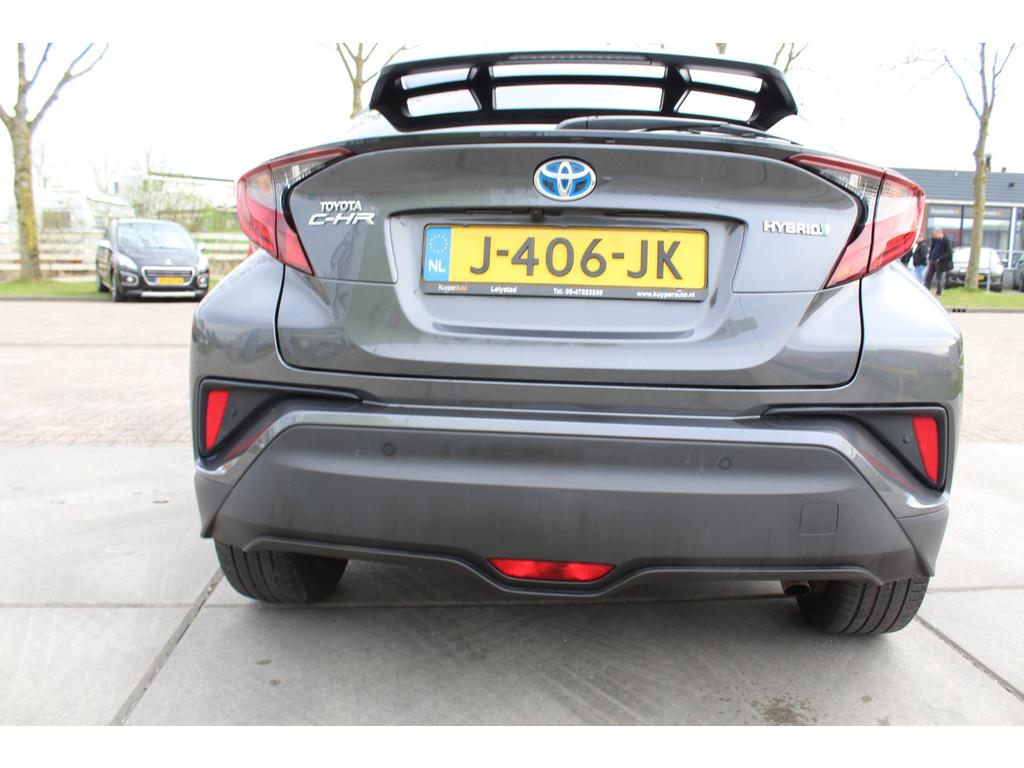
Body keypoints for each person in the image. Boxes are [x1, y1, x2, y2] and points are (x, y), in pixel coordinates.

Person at [924, 228, 953, 295]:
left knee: (938, 277)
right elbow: (932, 248)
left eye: (936, 235)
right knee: (928, 275)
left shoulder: (946, 240)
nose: (935, 236)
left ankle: (939, 291)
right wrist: (930, 256)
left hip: (940, 261)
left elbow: (949, 252)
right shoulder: (935, 240)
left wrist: (940, 258)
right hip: (933, 259)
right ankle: (926, 289)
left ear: (940, 233)